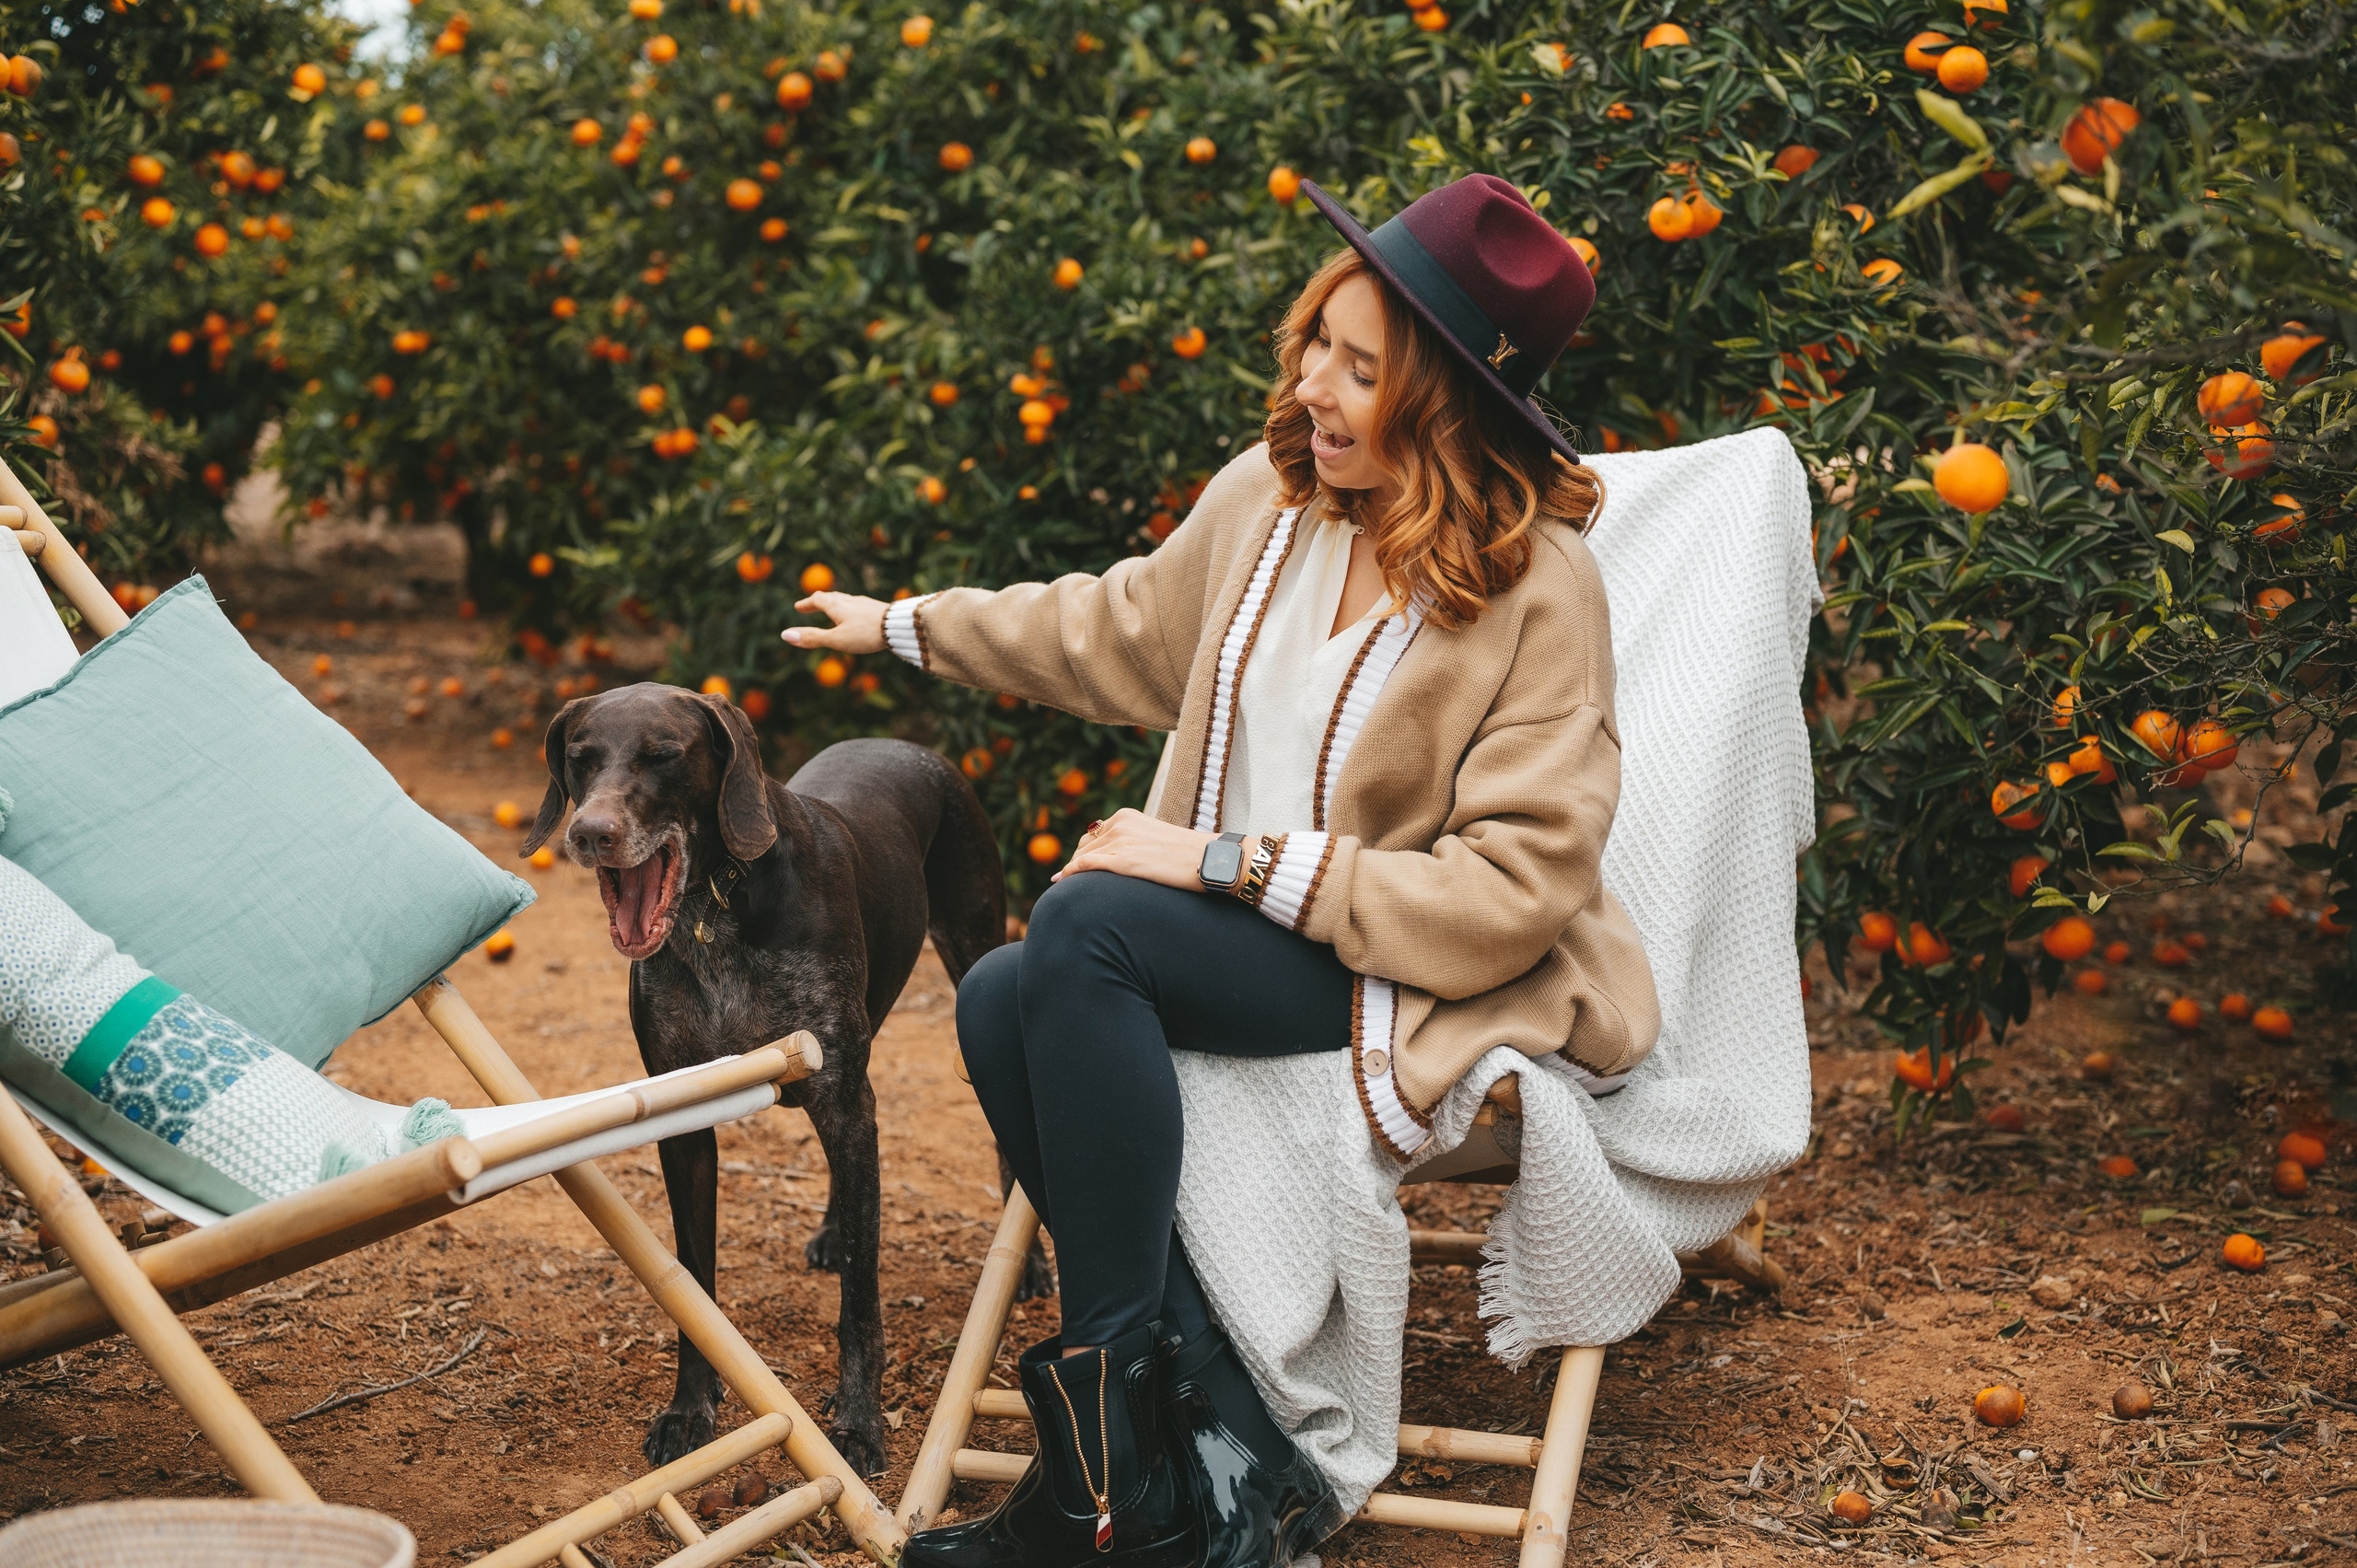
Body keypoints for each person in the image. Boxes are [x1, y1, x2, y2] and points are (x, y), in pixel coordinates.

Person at [784, 173, 1659, 1568]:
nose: (1312, 381)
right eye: (1319, 337)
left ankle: (1119, 1479)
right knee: (1004, 992)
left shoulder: (1539, 589)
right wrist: (907, 626)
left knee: (1080, 933)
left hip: (1407, 961)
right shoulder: (1272, 500)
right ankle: (1201, 1464)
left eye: (1361, 368)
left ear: (1442, 401)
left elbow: (1514, 889)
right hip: (1220, 939)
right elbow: (1118, 630)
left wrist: (1225, 858)